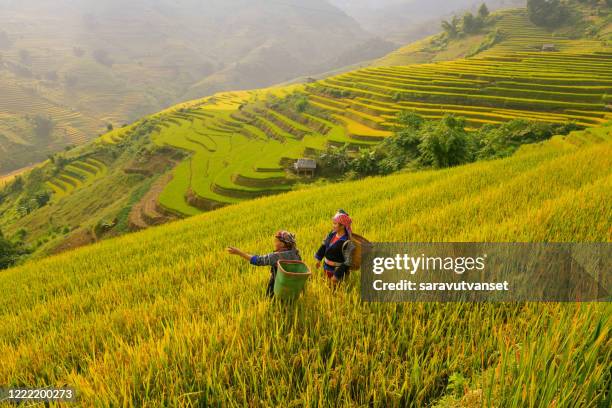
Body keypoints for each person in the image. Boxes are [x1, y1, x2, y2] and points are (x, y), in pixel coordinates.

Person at [227, 230, 301, 298]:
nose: (274, 243)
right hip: (293, 286)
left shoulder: (277, 256)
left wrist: (239, 253)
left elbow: (258, 260)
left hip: (278, 285)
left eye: (276, 241)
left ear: (282, 244)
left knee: (271, 299)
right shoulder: (295, 252)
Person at [315, 209, 356, 285]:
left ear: (342, 225)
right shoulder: (331, 234)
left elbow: (348, 262)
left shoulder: (348, 241)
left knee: (335, 290)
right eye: (333, 223)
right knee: (326, 287)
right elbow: (324, 246)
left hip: (338, 272)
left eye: (335, 224)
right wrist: (318, 259)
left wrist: (337, 275)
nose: (333, 226)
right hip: (326, 268)